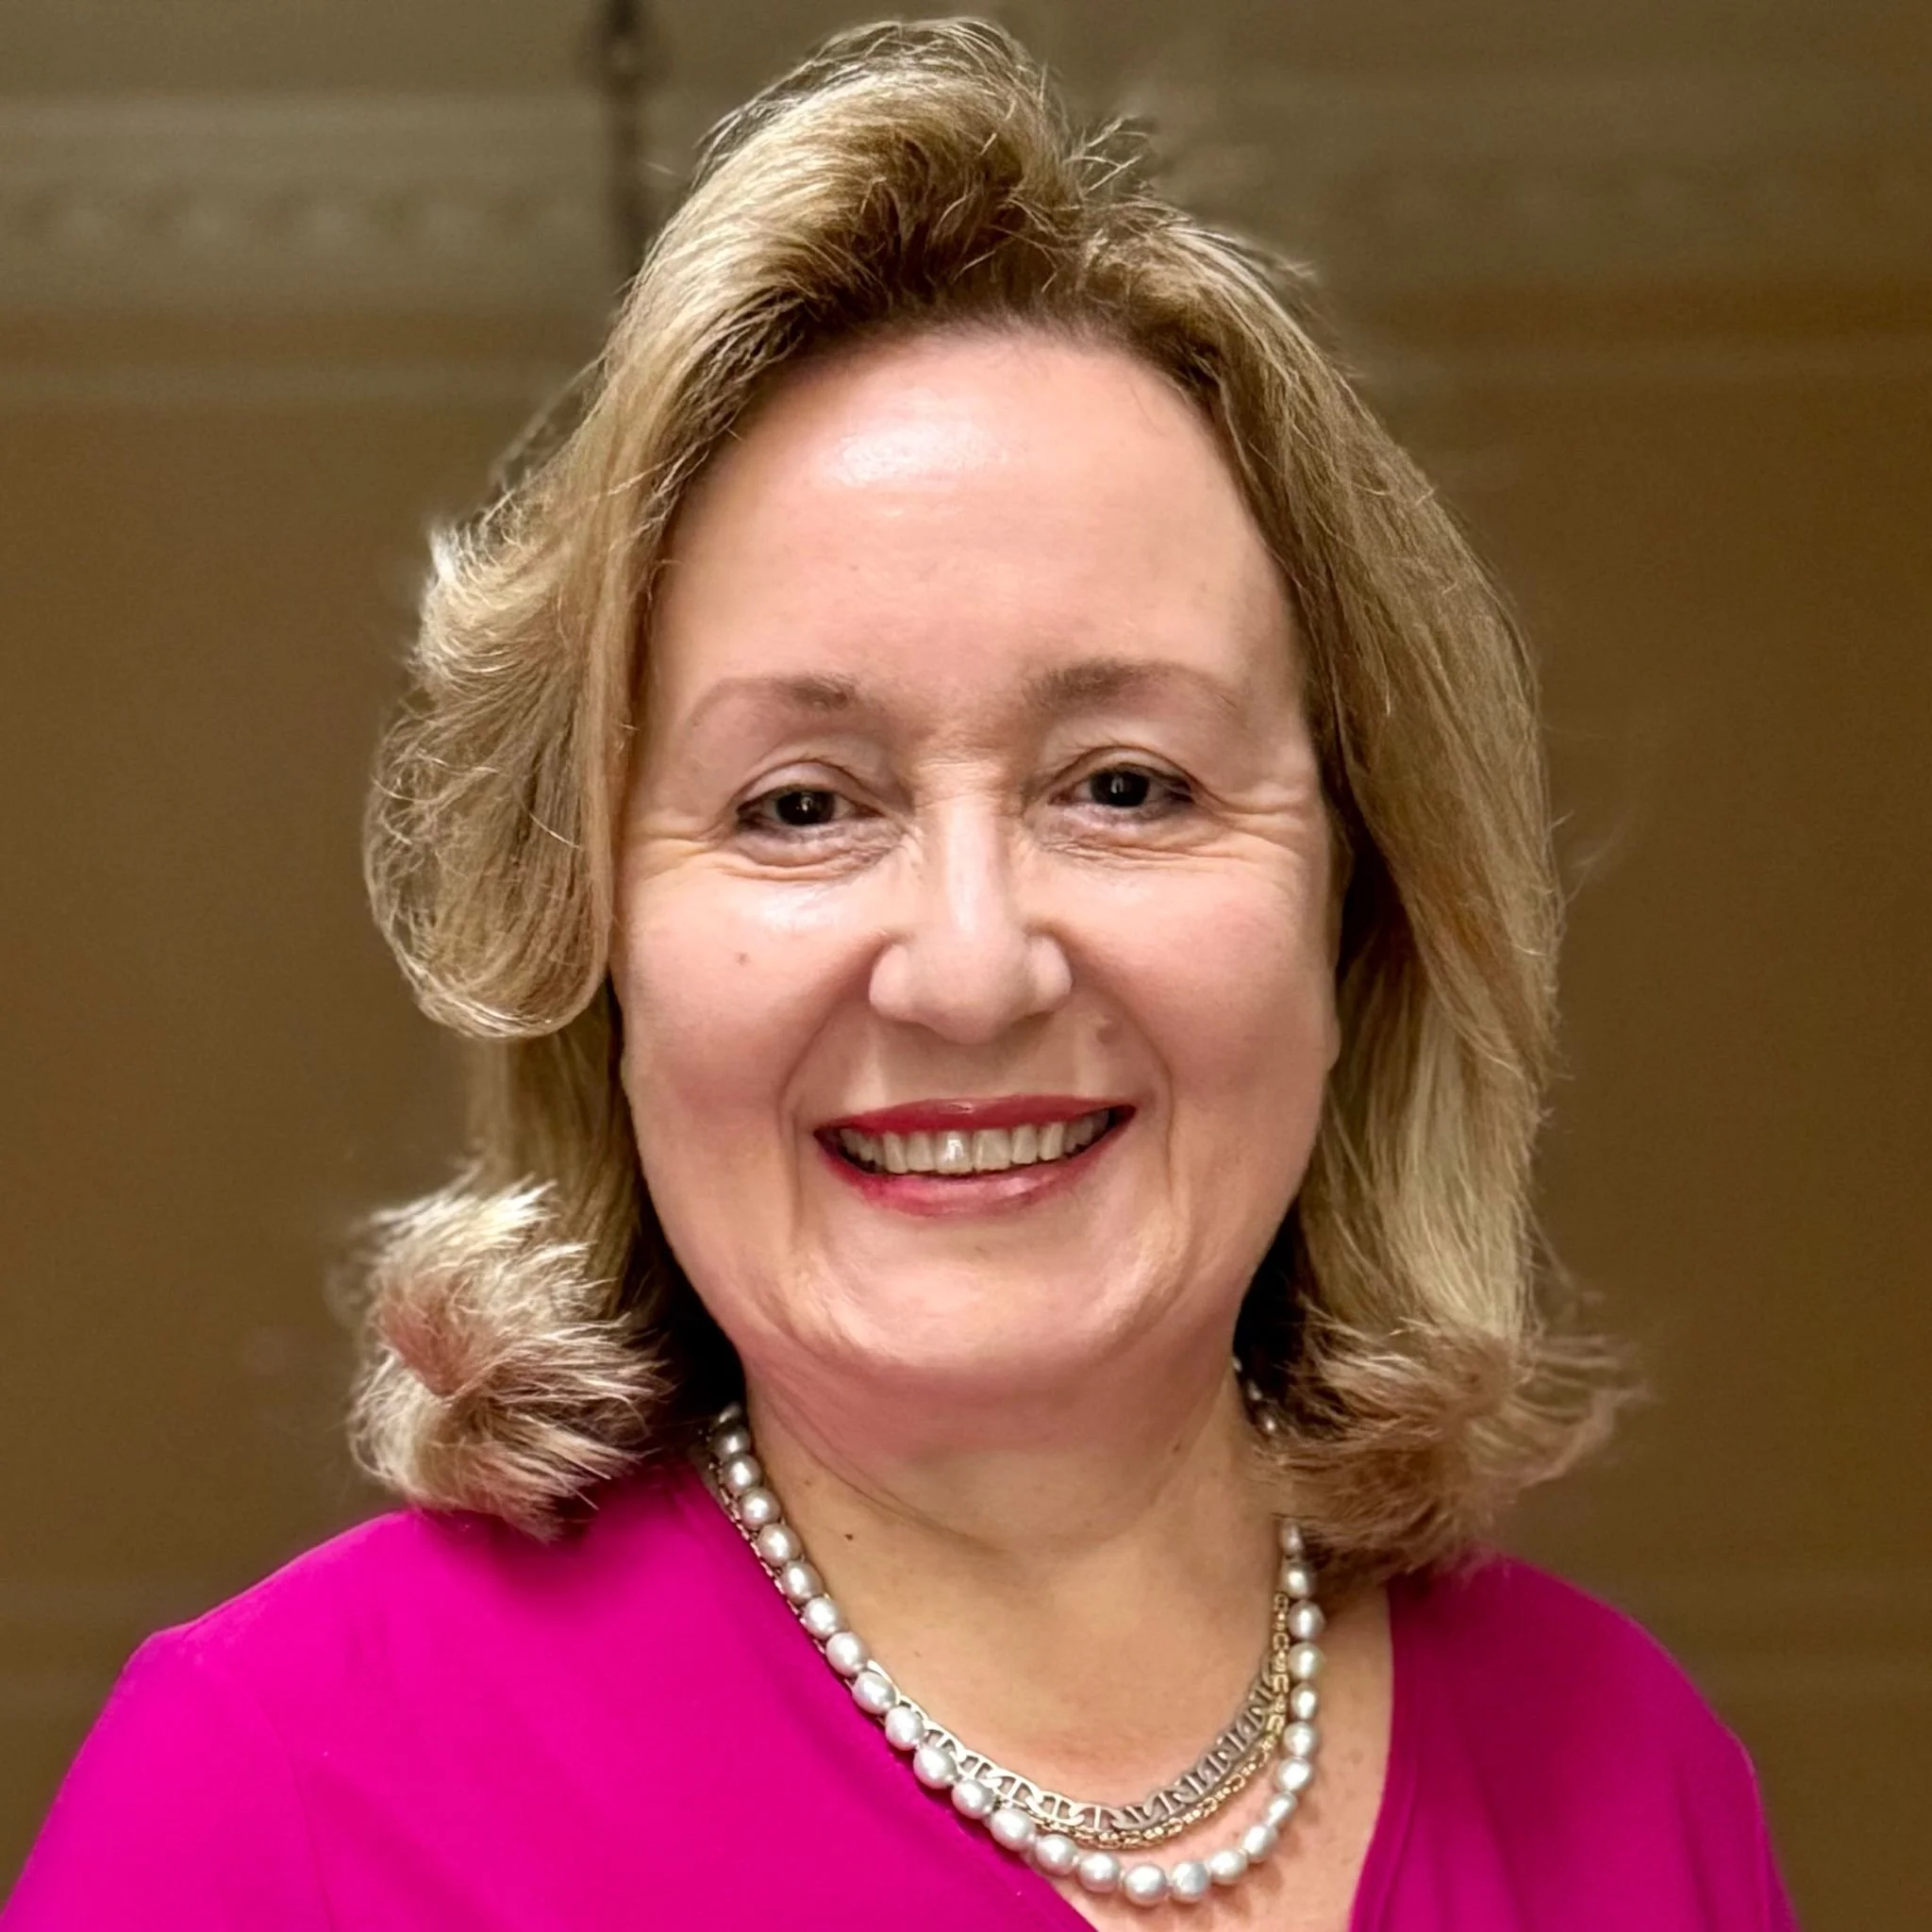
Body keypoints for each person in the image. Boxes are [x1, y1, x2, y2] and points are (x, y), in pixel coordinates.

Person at [4, 22, 1796, 1930]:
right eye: (798, 805)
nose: (967, 970)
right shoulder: (275, 1794)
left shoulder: (1627, 1773)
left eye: (1126, 785)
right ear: (593, 954)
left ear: (1359, 911)